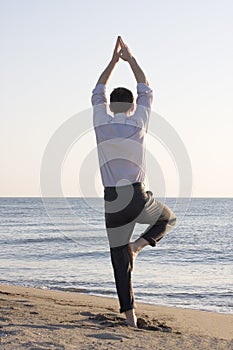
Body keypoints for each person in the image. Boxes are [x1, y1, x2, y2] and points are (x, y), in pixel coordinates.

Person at [91, 36, 176, 328]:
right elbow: (146, 89)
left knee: (118, 260)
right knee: (168, 218)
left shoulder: (100, 120)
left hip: (112, 200)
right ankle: (137, 247)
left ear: (111, 105)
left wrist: (113, 62)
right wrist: (130, 58)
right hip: (137, 197)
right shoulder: (138, 120)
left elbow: (99, 90)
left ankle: (130, 318)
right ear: (130, 106)